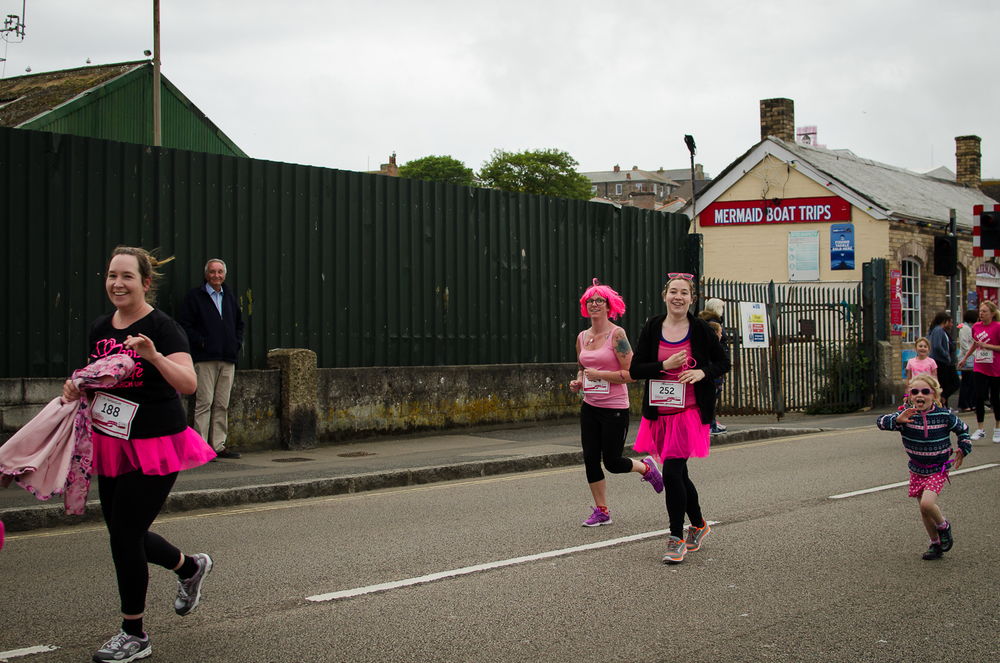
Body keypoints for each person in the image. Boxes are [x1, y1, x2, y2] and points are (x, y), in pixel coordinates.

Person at [62, 246, 217, 663]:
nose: (117, 283)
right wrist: (76, 386)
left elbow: (187, 383)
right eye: (112, 275)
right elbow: (99, 377)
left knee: (126, 534)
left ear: (145, 282)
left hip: (156, 443)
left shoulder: (163, 328)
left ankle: (135, 634)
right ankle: (189, 567)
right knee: (122, 533)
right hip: (113, 442)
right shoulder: (101, 327)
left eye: (127, 276)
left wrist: (152, 355)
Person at [629, 274, 730, 563]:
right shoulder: (652, 326)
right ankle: (698, 525)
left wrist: (702, 373)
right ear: (665, 296)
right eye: (673, 292)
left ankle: (676, 538)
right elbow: (636, 369)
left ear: (691, 298)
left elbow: (724, 362)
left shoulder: (700, 329)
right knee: (680, 474)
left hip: (689, 412)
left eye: (684, 293)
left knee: (672, 472)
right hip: (660, 414)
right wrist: (665, 365)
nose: (678, 297)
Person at [569, 279, 663, 527]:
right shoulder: (581, 337)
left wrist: (600, 376)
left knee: (612, 462)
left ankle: (646, 468)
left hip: (614, 409)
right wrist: (579, 381)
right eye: (590, 301)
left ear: (609, 306)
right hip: (590, 407)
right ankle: (602, 511)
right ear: (585, 306)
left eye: (600, 300)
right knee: (590, 458)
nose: (594, 304)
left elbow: (633, 373)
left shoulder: (617, 334)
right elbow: (582, 368)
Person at [876, 373, 970, 560]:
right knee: (924, 511)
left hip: (938, 468)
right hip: (917, 470)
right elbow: (880, 422)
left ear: (934, 395)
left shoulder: (944, 415)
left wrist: (963, 448)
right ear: (910, 395)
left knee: (928, 504)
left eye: (925, 391)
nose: (920, 395)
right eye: (915, 391)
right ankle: (935, 544)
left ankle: (944, 527)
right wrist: (897, 421)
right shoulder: (905, 416)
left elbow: (963, 430)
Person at [178, 259, 245, 460]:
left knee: (222, 404)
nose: (217, 275)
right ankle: (200, 448)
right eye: (213, 272)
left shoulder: (230, 298)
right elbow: (185, 325)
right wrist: (202, 343)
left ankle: (218, 445)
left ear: (224, 274)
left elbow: (239, 324)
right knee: (204, 403)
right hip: (205, 358)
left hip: (227, 358)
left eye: (220, 272)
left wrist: (236, 343)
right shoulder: (195, 297)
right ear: (206, 274)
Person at [958, 299, 1000, 443]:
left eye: (984, 311)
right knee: (979, 396)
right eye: (980, 311)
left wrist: (989, 346)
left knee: (995, 398)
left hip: (994, 366)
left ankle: (997, 428)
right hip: (980, 365)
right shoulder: (976, 326)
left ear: (992, 314)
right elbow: (975, 344)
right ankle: (980, 428)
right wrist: (965, 358)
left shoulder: (997, 327)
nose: (981, 314)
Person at [700, 298, 729, 434]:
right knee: (712, 396)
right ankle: (710, 424)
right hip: (714, 364)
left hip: (714, 363)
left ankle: (712, 422)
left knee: (713, 396)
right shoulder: (713, 324)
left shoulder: (705, 321)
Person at [927, 311, 958, 407]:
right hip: (940, 361)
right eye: (950, 322)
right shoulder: (938, 330)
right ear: (945, 321)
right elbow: (937, 346)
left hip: (941, 361)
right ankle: (943, 402)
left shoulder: (936, 330)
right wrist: (946, 355)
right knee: (946, 385)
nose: (952, 325)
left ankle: (944, 405)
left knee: (944, 385)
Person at [956, 309, 978, 412]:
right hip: (967, 359)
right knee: (966, 382)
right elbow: (964, 345)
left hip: (973, 359)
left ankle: (972, 402)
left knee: (972, 382)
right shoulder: (964, 329)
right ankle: (964, 404)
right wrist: (973, 354)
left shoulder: (971, 328)